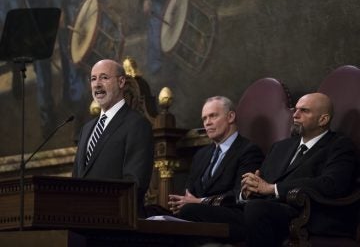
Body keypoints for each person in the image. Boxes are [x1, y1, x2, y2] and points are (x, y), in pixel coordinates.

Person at [178, 93, 357, 246]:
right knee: (190, 211)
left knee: (256, 210)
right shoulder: (281, 147)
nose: (295, 115)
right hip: (262, 210)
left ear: (323, 119)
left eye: (304, 111)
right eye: (295, 110)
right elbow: (260, 183)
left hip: (305, 213)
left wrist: (273, 189)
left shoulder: (339, 145)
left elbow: (331, 184)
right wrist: (249, 189)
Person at [72, 59, 154, 217]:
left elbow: (134, 183)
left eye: (104, 77)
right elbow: (77, 178)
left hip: (116, 220)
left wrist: (96, 207)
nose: (97, 84)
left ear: (121, 81)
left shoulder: (137, 125)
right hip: (81, 220)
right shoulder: (87, 129)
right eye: (93, 79)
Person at [168, 96, 264, 225]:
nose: (207, 123)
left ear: (230, 117)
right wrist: (180, 202)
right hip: (197, 213)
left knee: (189, 211)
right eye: (204, 118)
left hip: (231, 215)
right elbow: (189, 192)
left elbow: (240, 194)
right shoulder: (201, 155)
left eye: (213, 116)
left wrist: (200, 202)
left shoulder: (248, 151)